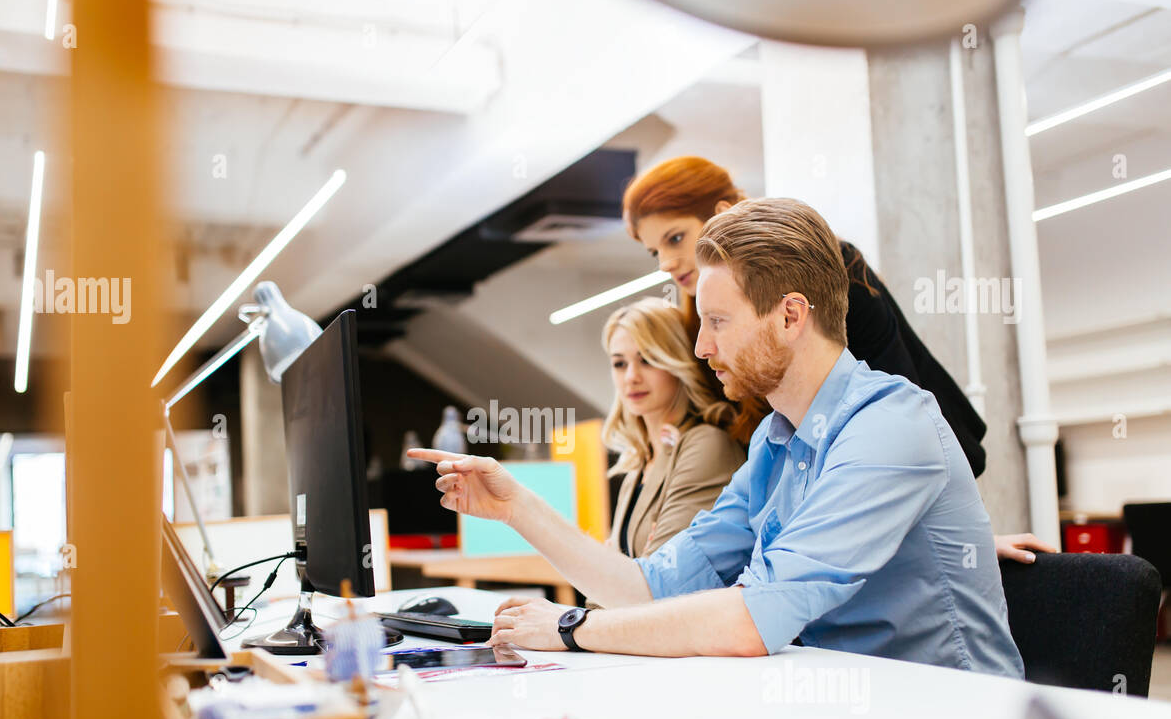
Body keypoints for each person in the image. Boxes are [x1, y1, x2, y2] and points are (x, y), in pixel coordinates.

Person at [410, 198, 1023, 677]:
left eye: (718, 323)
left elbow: (753, 620)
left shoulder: (891, 426)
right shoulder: (775, 444)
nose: (701, 349)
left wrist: (571, 627)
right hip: (847, 712)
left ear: (790, 316)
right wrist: (517, 506)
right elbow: (645, 589)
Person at [622, 155, 1054, 566]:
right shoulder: (699, 316)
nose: (664, 263)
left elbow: (898, 411)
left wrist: (956, 539)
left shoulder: (830, 274)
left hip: (887, 480)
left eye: (675, 238)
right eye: (653, 251)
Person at [602, 299, 748, 559]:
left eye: (647, 360)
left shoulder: (707, 445)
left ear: (676, 361)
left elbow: (660, 576)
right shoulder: (637, 466)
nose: (631, 377)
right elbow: (609, 576)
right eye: (619, 364)